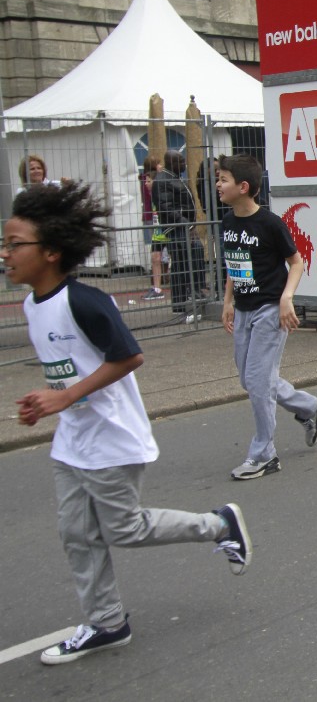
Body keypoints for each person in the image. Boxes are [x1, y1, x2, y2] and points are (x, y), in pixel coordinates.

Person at [1, 182, 251, 666]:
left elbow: (129, 357)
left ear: (51, 252)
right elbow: (69, 369)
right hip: (74, 440)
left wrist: (65, 396)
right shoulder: (33, 305)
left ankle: (218, 524)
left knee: (124, 528)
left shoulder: (85, 302)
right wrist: (46, 403)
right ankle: (107, 623)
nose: (5, 254)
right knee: (76, 533)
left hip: (113, 439)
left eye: (14, 244)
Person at [217, 154, 317, 480]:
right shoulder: (228, 222)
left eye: (223, 179)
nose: (218, 185)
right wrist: (228, 300)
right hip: (243, 309)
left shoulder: (270, 224)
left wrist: (286, 298)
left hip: (269, 311)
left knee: (258, 382)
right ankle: (310, 407)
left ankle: (264, 455)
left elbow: (297, 262)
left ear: (243, 186)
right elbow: (234, 263)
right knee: (251, 380)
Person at [152, 151, 207, 316]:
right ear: (172, 163)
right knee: (181, 262)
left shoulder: (175, 177)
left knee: (190, 257)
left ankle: (192, 292)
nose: (184, 165)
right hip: (177, 228)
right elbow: (165, 206)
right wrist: (184, 223)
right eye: (181, 162)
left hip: (185, 227)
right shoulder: (163, 180)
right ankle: (182, 300)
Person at [140, 155, 166, 301]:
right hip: (157, 229)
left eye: (148, 181)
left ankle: (184, 286)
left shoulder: (163, 190)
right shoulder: (149, 191)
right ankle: (157, 288)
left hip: (168, 227)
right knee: (155, 256)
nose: (146, 183)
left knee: (175, 255)